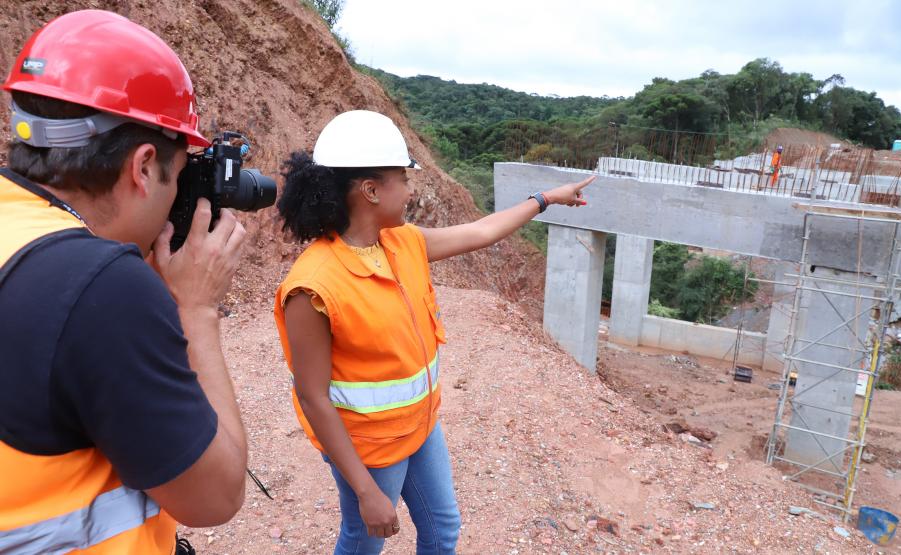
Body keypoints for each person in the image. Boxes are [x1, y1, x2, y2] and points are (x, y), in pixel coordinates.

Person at [274, 109, 594, 554]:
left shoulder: (403, 243)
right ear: (370, 190)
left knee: (442, 530)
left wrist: (545, 199)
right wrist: (366, 491)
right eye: (402, 178)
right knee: (364, 540)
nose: (409, 189)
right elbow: (312, 396)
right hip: (370, 447)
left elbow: (481, 231)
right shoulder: (313, 287)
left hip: (421, 427)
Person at [0, 10, 248, 554]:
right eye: (178, 176)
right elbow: (215, 498)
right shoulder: (101, 288)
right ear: (141, 167)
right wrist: (196, 307)